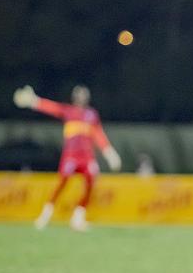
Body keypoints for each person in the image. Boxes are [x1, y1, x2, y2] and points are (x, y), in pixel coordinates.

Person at [13, 85, 121, 231]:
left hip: (87, 157)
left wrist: (109, 152)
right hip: (71, 156)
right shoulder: (69, 111)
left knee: (91, 182)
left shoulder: (91, 114)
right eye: (79, 95)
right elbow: (52, 108)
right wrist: (34, 101)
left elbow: (98, 134)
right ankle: (45, 215)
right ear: (74, 97)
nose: (81, 98)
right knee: (61, 184)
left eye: (83, 95)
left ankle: (78, 217)